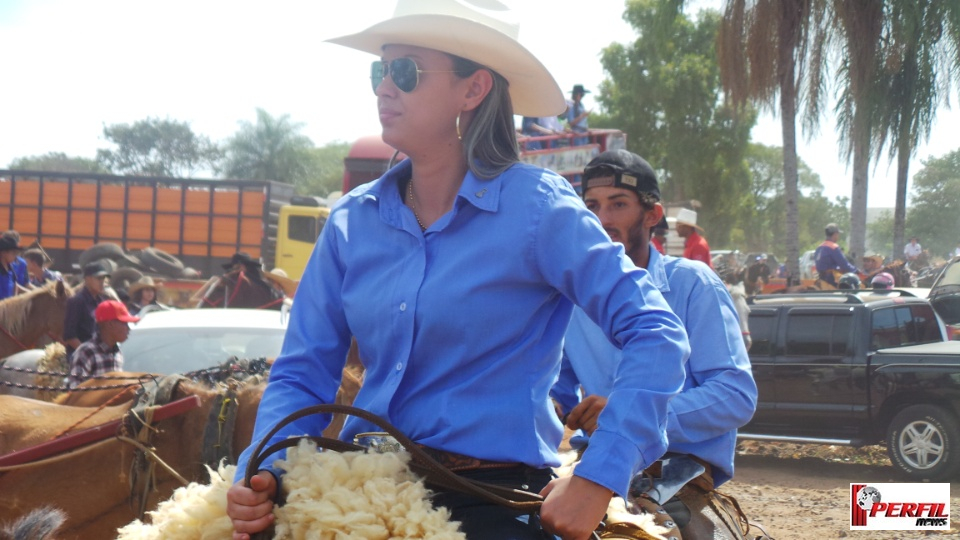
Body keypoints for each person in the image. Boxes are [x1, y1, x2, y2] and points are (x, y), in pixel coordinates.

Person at [227, 3, 690, 539]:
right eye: (380, 70)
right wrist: (261, 469)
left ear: (473, 91)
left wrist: (598, 475)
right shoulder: (352, 220)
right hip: (353, 489)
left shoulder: (540, 209)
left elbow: (656, 332)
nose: (383, 88)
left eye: (406, 72)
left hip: (487, 500)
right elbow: (303, 371)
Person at [552, 150, 757, 495]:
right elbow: (558, 390)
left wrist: (626, 416)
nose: (602, 220)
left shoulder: (694, 285)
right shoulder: (572, 297)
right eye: (592, 206)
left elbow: (735, 396)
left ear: (652, 215)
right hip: (595, 459)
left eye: (618, 204)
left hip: (677, 468)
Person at [67, 300, 139, 388]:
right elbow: (75, 391)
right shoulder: (86, 352)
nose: (128, 329)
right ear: (110, 324)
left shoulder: (117, 353)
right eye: (124, 323)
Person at [62, 262, 112, 358]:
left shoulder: (102, 301)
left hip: (99, 354)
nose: (102, 282)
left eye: (103, 278)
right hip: (80, 356)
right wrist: (88, 354)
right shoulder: (76, 301)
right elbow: (69, 336)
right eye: (98, 278)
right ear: (87, 279)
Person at [814, 223, 858, 287]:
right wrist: (856, 271)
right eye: (838, 234)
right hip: (831, 279)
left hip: (821, 277)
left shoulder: (819, 247)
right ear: (835, 234)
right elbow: (844, 264)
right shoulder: (833, 247)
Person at [0, 232, 29, 300]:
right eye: (14, 253)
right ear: (3, 253)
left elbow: (15, 286)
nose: (16, 257)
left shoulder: (11, 269)